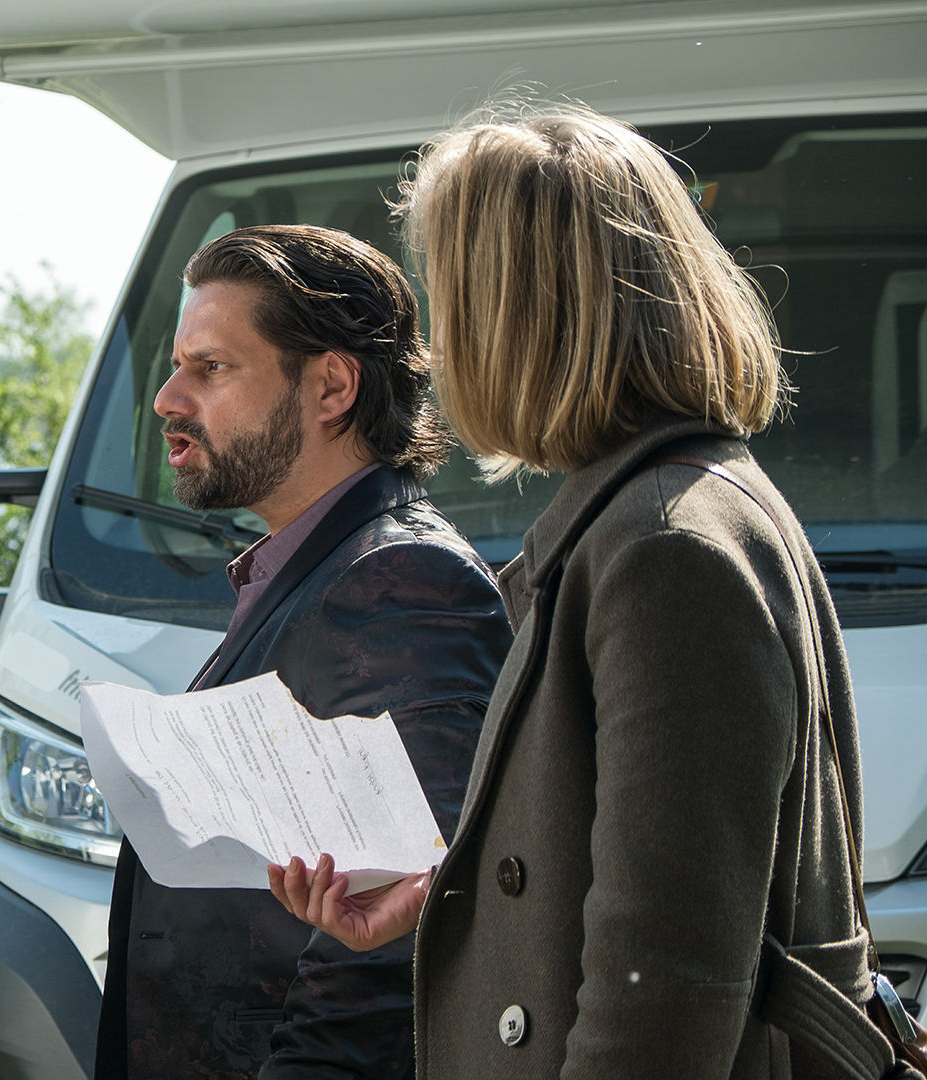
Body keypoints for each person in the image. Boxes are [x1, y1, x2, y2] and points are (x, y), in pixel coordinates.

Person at [271, 104, 880, 1078]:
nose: (440, 340)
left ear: (516, 314)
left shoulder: (665, 550)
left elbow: (664, 986)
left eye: (452, 293)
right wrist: (450, 888)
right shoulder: (668, 511)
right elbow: (626, 867)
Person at [93, 224, 512, 1080]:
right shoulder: (323, 568)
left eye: (211, 367)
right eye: (176, 367)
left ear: (331, 387)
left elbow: (395, 939)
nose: (168, 399)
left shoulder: (402, 580)